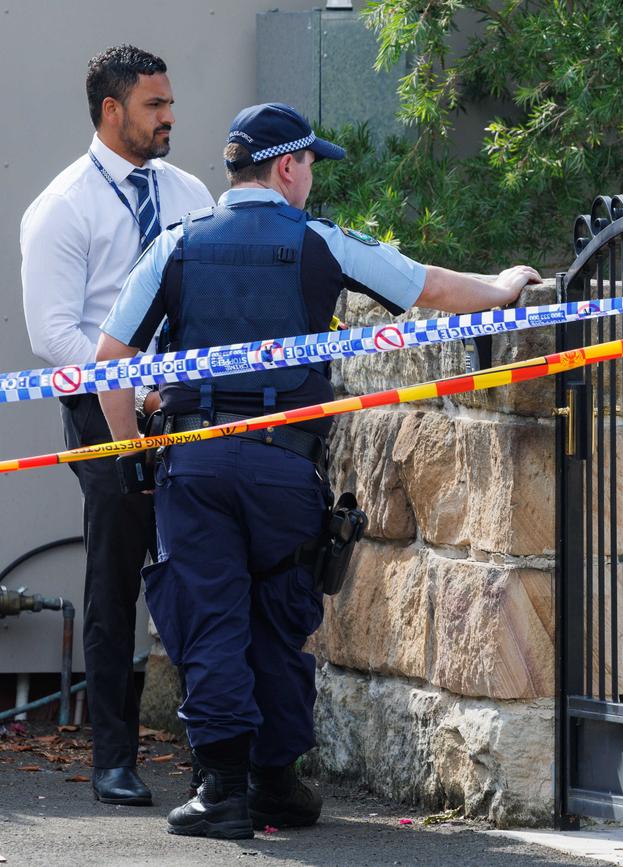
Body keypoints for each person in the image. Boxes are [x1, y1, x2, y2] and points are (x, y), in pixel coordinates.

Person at [95, 102, 541, 838]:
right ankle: (277, 784)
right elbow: (426, 286)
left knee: (209, 621)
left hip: (195, 467)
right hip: (284, 469)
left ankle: (223, 791)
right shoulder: (320, 244)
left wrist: (131, 455)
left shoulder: (174, 245)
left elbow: (109, 366)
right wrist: (499, 286)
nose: (311, 182)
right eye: (310, 168)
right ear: (286, 166)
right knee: (278, 622)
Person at [21, 44, 215, 806]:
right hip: (102, 417)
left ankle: (219, 756)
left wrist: (179, 387)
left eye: (169, 103)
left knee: (207, 571)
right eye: (154, 105)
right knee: (114, 579)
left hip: (187, 409)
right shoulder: (62, 207)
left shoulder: (191, 191)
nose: (170, 116)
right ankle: (113, 758)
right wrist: (134, 391)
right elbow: (54, 335)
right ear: (111, 110)